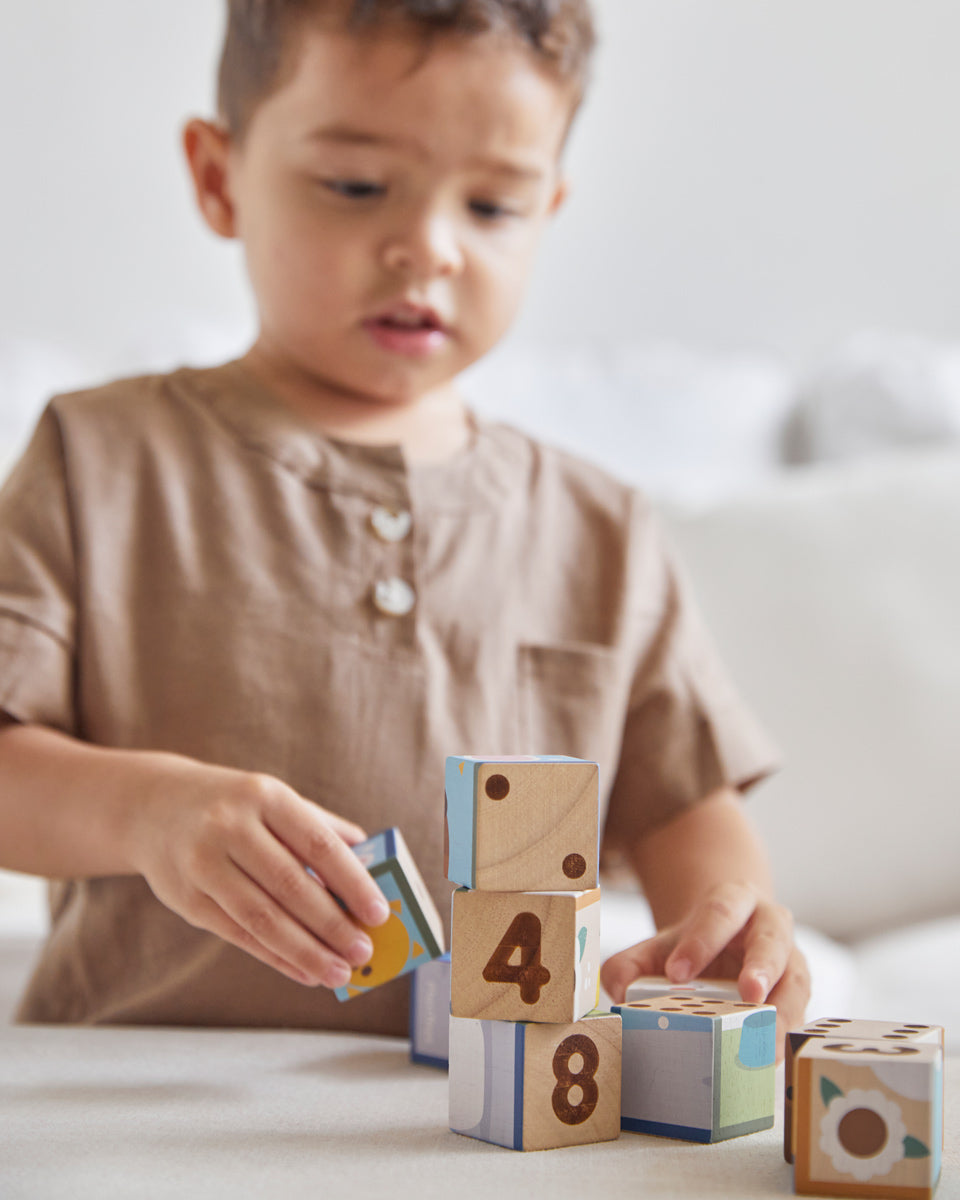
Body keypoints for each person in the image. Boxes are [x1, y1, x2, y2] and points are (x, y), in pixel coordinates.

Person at [0, 0, 809, 1048]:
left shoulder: (600, 527)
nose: (427, 248)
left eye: (492, 207)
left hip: (480, 1118)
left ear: (550, 210)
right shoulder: (97, 459)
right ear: (217, 177)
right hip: (139, 1088)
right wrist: (150, 811)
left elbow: (680, 809)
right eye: (356, 186)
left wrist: (731, 926)